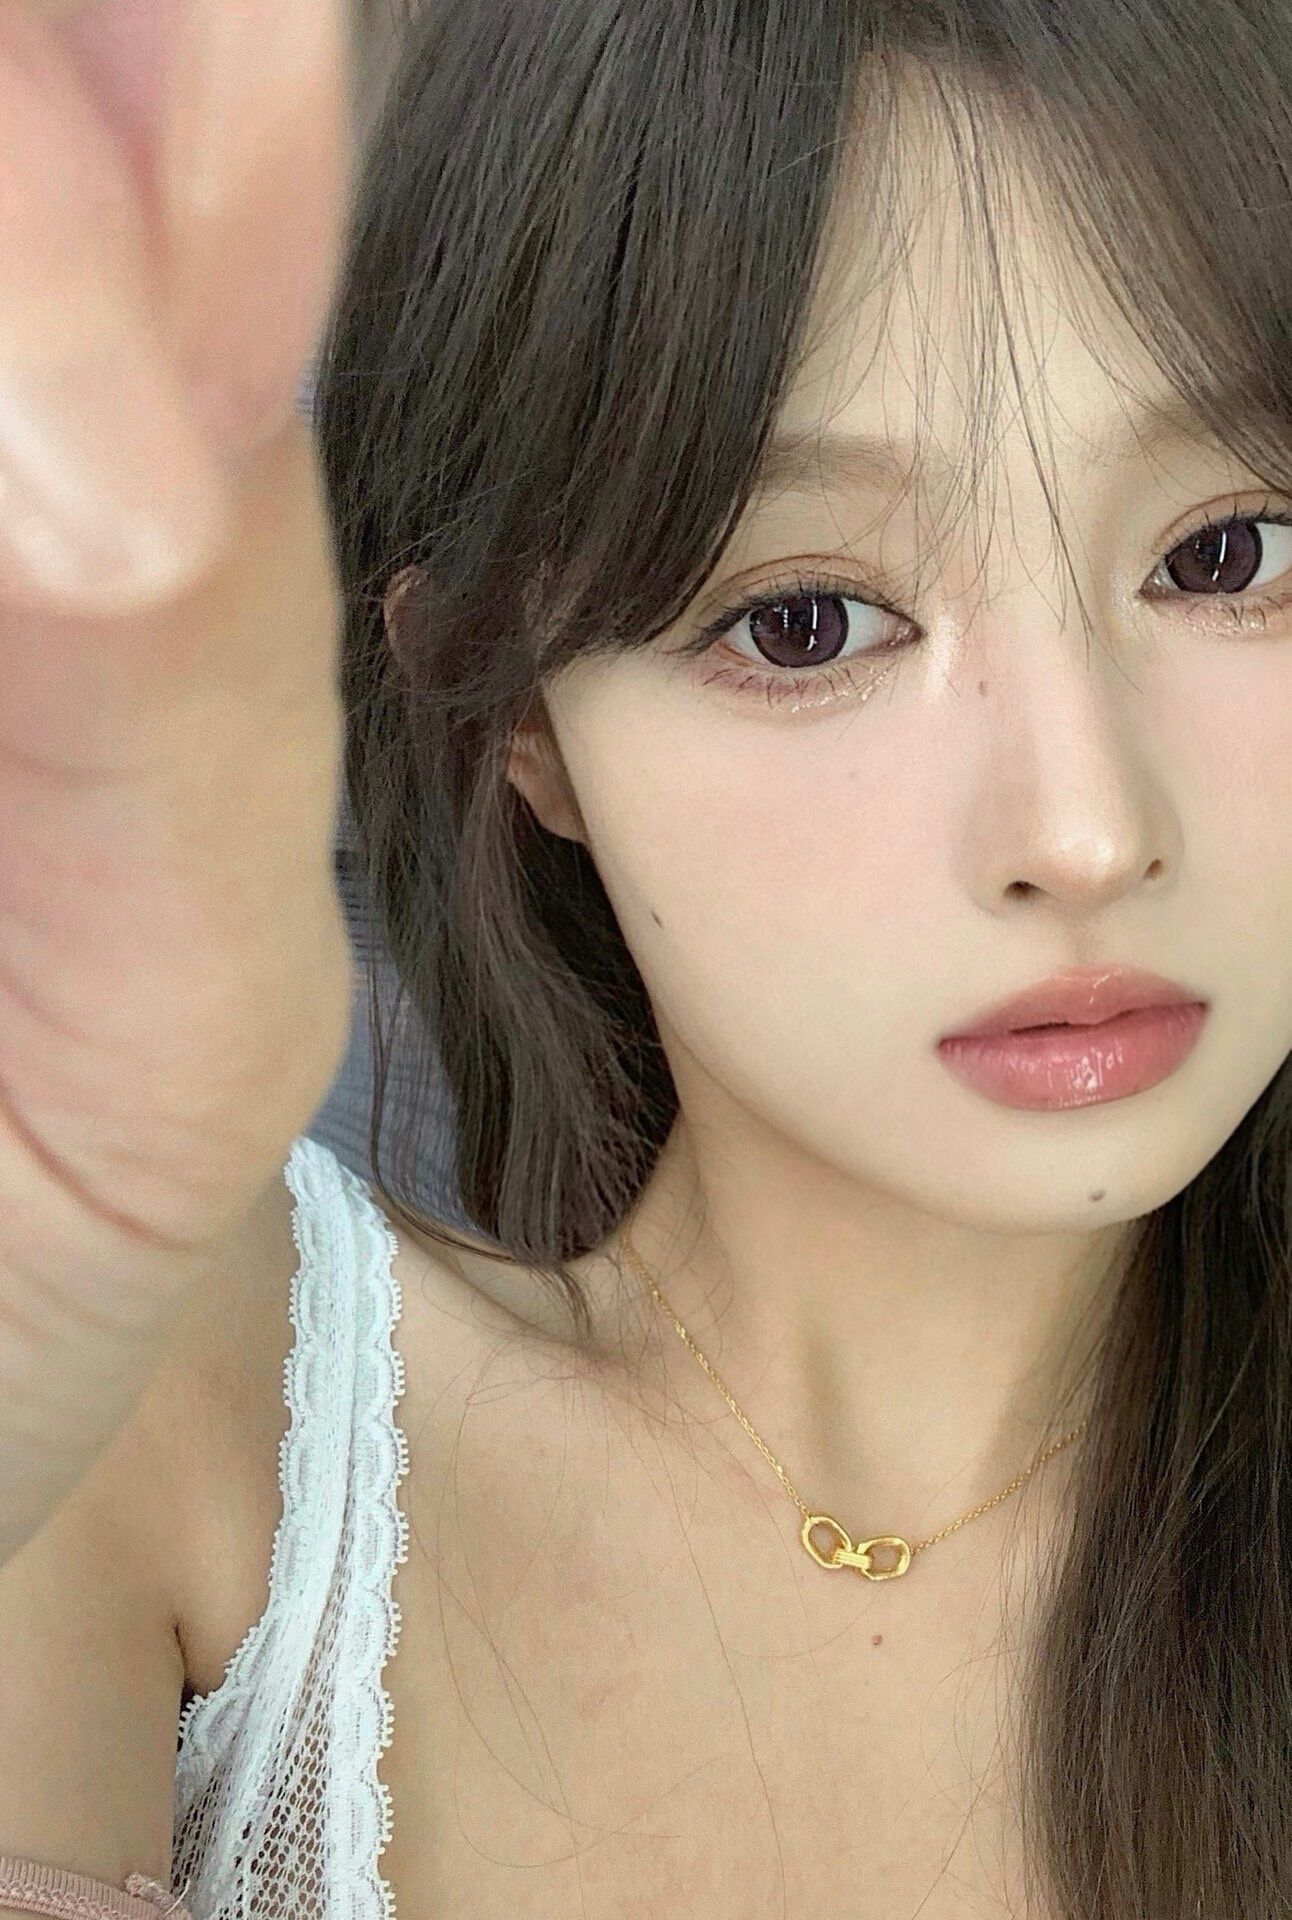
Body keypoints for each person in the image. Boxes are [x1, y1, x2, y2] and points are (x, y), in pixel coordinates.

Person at [0, 0, 1289, 1916]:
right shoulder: (183, 1415)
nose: (1088, 831)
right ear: (520, 719)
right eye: (807, 621)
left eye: (1227, 555)